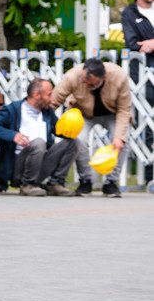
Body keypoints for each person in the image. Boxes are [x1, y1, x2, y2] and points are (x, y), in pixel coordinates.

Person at [50, 59, 132, 197]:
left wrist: (119, 137)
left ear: (104, 77)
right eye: (84, 82)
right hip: (82, 112)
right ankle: (85, 181)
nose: (87, 86)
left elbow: (124, 108)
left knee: (122, 141)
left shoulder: (119, 76)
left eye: (92, 84)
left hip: (112, 113)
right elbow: (54, 101)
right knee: (78, 140)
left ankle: (111, 183)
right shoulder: (72, 76)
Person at [0, 79, 78, 196]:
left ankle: (55, 183)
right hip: (17, 167)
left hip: (41, 164)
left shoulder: (47, 112)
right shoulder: (13, 110)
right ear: (36, 95)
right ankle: (27, 185)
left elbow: (59, 131)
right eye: (49, 95)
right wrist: (13, 135)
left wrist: (71, 125)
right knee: (38, 142)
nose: (52, 99)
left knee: (73, 143)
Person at [121, 0, 154, 184]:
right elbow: (133, 44)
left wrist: (152, 43)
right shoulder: (129, 13)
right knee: (148, 124)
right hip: (144, 75)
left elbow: (147, 45)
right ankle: (150, 176)